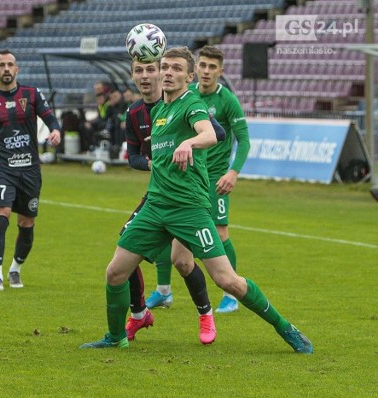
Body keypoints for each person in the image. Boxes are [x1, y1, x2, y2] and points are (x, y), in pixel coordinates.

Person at [80, 47, 313, 355]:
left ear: (189, 77)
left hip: (189, 209)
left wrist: (190, 141)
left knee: (227, 280)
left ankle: (286, 328)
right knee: (115, 272)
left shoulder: (192, 103)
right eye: (165, 67)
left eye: (176, 68)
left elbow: (209, 134)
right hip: (155, 207)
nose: (167, 72)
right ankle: (114, 337)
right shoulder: (160, 109)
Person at [122, 58, 225, 344]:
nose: (145, 76)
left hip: (186, 193)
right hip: (157, 193)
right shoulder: (133, 113)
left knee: (183, 261)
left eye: (150, 70)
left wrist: (189, 142)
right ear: (132, 77)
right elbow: (132, 156)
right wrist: (152, 164)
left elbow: (218, 132)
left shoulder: (185, 104)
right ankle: (139, 313)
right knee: (124, 250)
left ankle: (205, 314)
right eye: (138, 71)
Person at [0, 49, 61, 291]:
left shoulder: (31, 94)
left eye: (10, 65)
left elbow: (50, 117)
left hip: (30, 170)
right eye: (2, 65)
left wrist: (56, 130)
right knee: (1, 215)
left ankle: (15, 269)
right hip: (3, 169)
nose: (6, 69)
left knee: (27, 223)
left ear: (16, 69)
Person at [190, 45, 250, 313]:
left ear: (220, 71)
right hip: (191, 175)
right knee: (172, 233)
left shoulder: (227, 100)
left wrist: (232, 172)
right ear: (196, 68)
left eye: (212, 67)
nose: (206, 71)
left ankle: (231, 294)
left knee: (221, 231)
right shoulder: (188, 95)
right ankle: (163, 291)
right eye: (202, 65)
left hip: (216, 177)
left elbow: (244, 140)